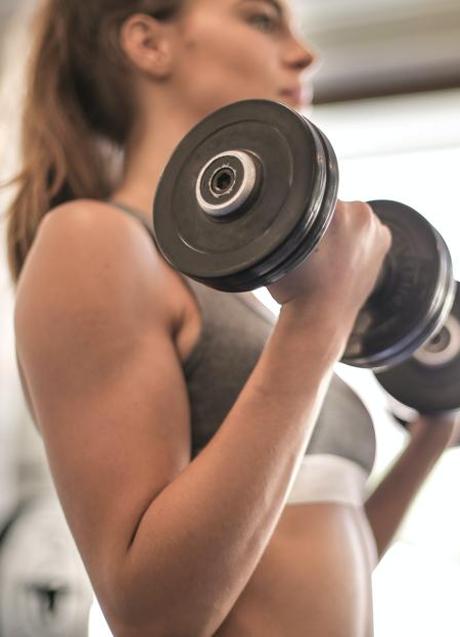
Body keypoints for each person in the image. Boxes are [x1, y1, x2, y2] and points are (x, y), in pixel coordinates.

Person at [4, 0, 457, 635]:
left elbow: (312, 558)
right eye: (262, 19)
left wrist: (433, 435)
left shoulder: (250, 295)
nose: (304, 53)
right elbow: (154, 616)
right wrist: (320, 318)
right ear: (148, 43)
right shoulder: (96, 241)